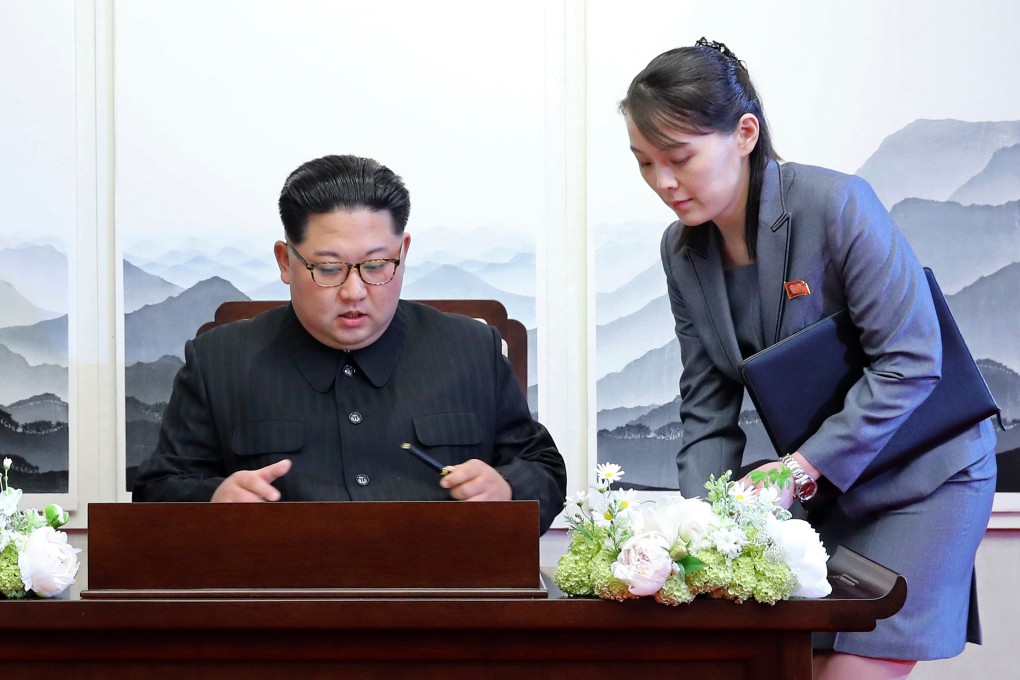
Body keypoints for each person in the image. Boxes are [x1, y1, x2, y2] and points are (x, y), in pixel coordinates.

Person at [620, 39, 996, 679]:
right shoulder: (680, 252)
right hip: (817, 491)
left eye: (679, 158)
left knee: (848, 672)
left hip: (924, 479)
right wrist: (698, 531)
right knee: (778, 666)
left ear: (744, 134)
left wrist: (799, 469)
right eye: (644, 163)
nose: (663, 182)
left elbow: (910, 360)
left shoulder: (838, 204)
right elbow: (706, 408)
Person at [132, 154, 567, 534]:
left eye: (377, 265)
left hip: (440, 606)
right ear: (287, 261)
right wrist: (214, 499)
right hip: (279, 610)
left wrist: (507, 488)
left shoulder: (471, 349)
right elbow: (157, 489)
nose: (354, 291)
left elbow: (542, 466)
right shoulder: (220, 361)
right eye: (328, 268)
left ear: (404, 252)